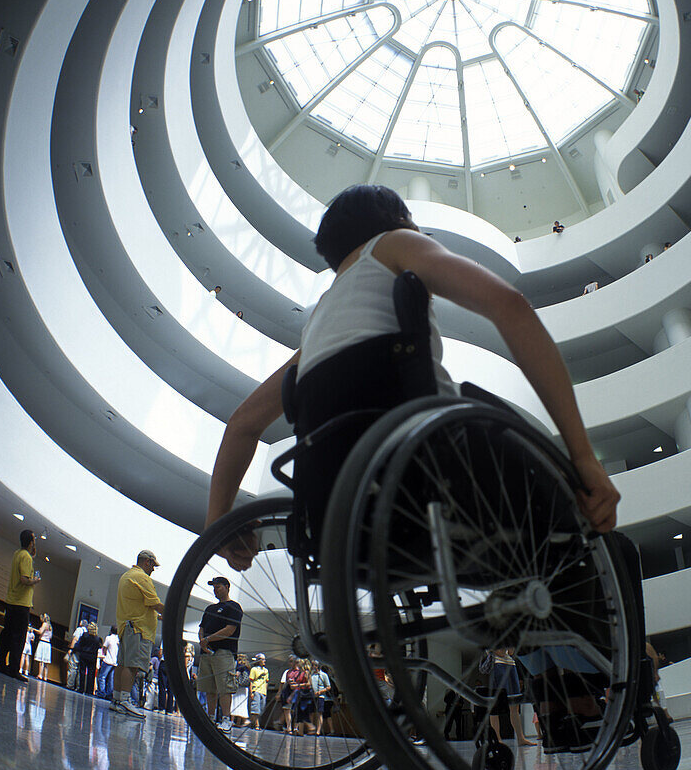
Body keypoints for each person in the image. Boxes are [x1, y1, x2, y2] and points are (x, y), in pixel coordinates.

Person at [204, 184, 619, 561]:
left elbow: (242, 424)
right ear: (401, 221)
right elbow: (508, 305)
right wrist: (582, 457)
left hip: (336, 499)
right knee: (600, 535)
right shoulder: (394, 244)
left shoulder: (316, 331)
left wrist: (218, 528)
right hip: (430, 460)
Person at [112, 550, 164, 719]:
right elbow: (155, 602)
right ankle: (126, 701)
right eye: (153, 566)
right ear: (147, 562)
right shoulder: (142, 577)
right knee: (131, 666)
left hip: (126, 627)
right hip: (139, 629)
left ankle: (117, 699)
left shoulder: (126, 576)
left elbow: (140, 605)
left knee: (122, 664)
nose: (153, 570)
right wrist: (174, 614)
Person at [196, 576, 243, 734]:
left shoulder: (234, 607)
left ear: (227, 587)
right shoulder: (209, 609)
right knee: (209, 688)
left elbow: (230, 629)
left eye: (219, 587)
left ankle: (226, 719)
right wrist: (203, 641)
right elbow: (202, 627)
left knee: (225, 687)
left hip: (224, 652)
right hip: (207, 652)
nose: (216, 590)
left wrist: (208, 639)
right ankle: (210, 717)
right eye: (214, 587)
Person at [0, 530, 41, 682]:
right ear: (30, 542)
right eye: (34, 540)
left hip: (11, 600)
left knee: (7, 633)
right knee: (18, 638)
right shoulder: (26, 557)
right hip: (21, 604)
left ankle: (0, 663)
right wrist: (35, 580)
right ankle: (13, 668)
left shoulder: (17, 554)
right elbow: (24, 579)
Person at [487, 647, 535, 746]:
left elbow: (511, 651)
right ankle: (498, 739)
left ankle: (521, 738)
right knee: (497, 704)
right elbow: (499, 652)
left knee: (515, 704)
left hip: (511, 665)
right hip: (497, 665)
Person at [74, 622, 102, 695]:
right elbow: (99, 647)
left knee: (82, 672)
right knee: (91, 674)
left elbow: (80, 644)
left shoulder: (85, 635)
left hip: (84, 654)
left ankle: (81, 688)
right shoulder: (98, 639)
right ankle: (89, 690)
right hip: (92, 657)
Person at [310, 660, 333, 736]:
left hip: (320, 696)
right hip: (312, 696)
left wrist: (320, 692)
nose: (313, 667)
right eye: (312, 665)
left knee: (320, 713)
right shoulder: (311, 675)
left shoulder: (323, 675)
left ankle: (318, 730)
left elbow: (328, 687)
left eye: (314, 665)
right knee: (311, 713)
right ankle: (312, 728)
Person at [66, 619, 88, 691]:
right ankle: (78, 686)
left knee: (73, 667)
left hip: (76, 651)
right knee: (80, 669)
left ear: (81, 623)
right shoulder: (86, 632)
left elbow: (75, 639)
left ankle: (70, 684)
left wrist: (71, 649)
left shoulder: (79, 629)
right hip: (83, 652)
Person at [97, 626, 119, 700]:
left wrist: (104, 654)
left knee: (102, 677)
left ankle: (101, 692)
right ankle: (109, 694)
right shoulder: (118, 639)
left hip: (108, 660)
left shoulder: (108, 638)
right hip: (115, 662)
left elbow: (104, 647)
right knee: (111, 678)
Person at [248, 653, 268, 730]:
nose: (264, 661)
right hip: (256, 690)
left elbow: (266, 681)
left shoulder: (266, 670)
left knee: (261, 708)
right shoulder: (254, 669)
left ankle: (251, 722)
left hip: (263, 691)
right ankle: (257, 725)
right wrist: (251, 692)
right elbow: (251, 681)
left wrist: (265, 691)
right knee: (256, 709)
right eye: (263, 659)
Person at [156, 645, 177, 714]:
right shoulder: (178, 640)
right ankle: (169, 710)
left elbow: (160, 653)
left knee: (162, 687)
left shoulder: (165, 638)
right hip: (173, 665)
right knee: (171, 688)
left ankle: (161, 708)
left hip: (165, 663)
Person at [32, 613, 52, 681]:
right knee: (46, 662)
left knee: (41, 660)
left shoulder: (45, 624)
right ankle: (45, 676)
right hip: (48, 644)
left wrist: (34, 629)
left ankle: (40, 674)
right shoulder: (50, 626)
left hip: (43, 642)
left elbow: (40, 632)